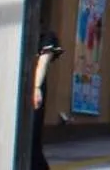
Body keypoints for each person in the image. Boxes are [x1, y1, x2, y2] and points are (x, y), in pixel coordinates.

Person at [30, 29, 64, 170]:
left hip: (33, 88)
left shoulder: (46, 37)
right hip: (18, 87)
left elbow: (43, 62)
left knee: (32, 137)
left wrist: (36, 87)